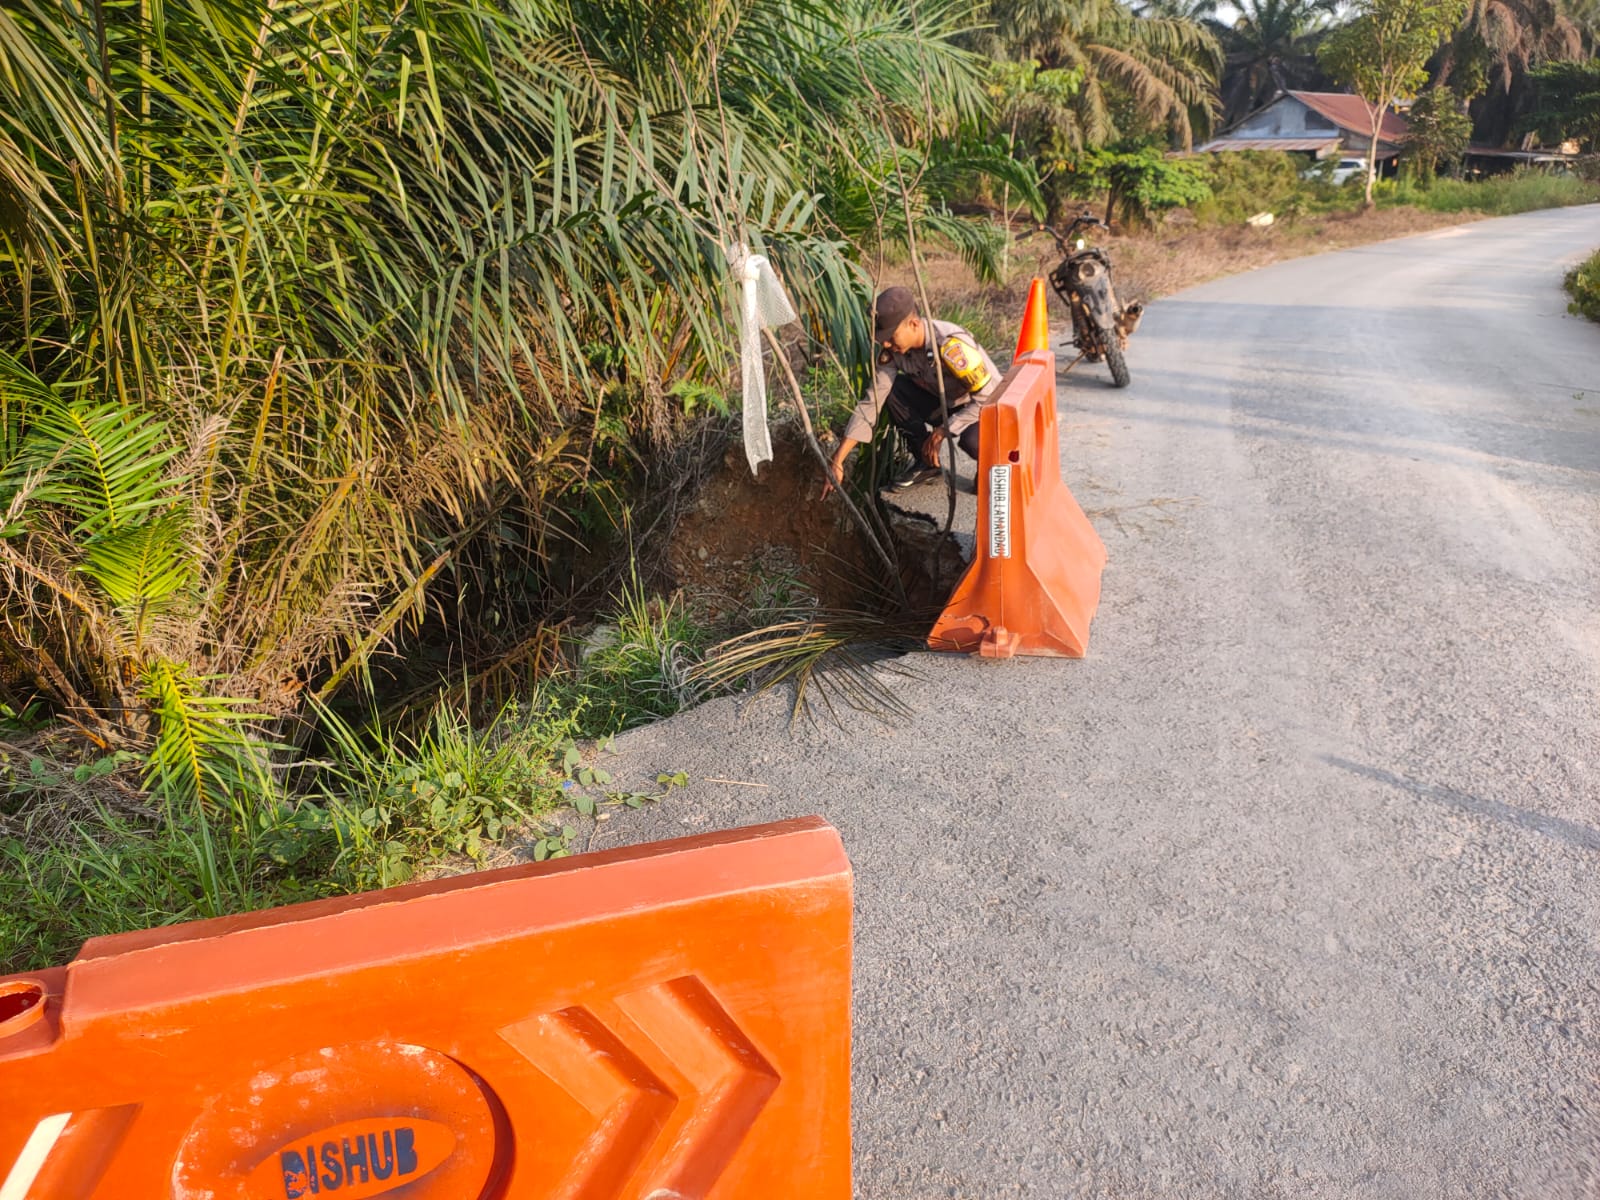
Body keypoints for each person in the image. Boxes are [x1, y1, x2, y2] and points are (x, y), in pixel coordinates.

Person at [822, 286, 1002, 497]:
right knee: (894, 390)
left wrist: (943, 430)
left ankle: (994, 464)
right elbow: (872, 401)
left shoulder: (950, 345)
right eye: (883, 338)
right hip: (944, 404)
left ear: (913, 324)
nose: (887, 343)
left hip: (984, 406)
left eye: (891, 336)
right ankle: (926, 462)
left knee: (973, 441)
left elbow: (988, 397)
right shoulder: (894, 351)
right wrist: (838, 459)